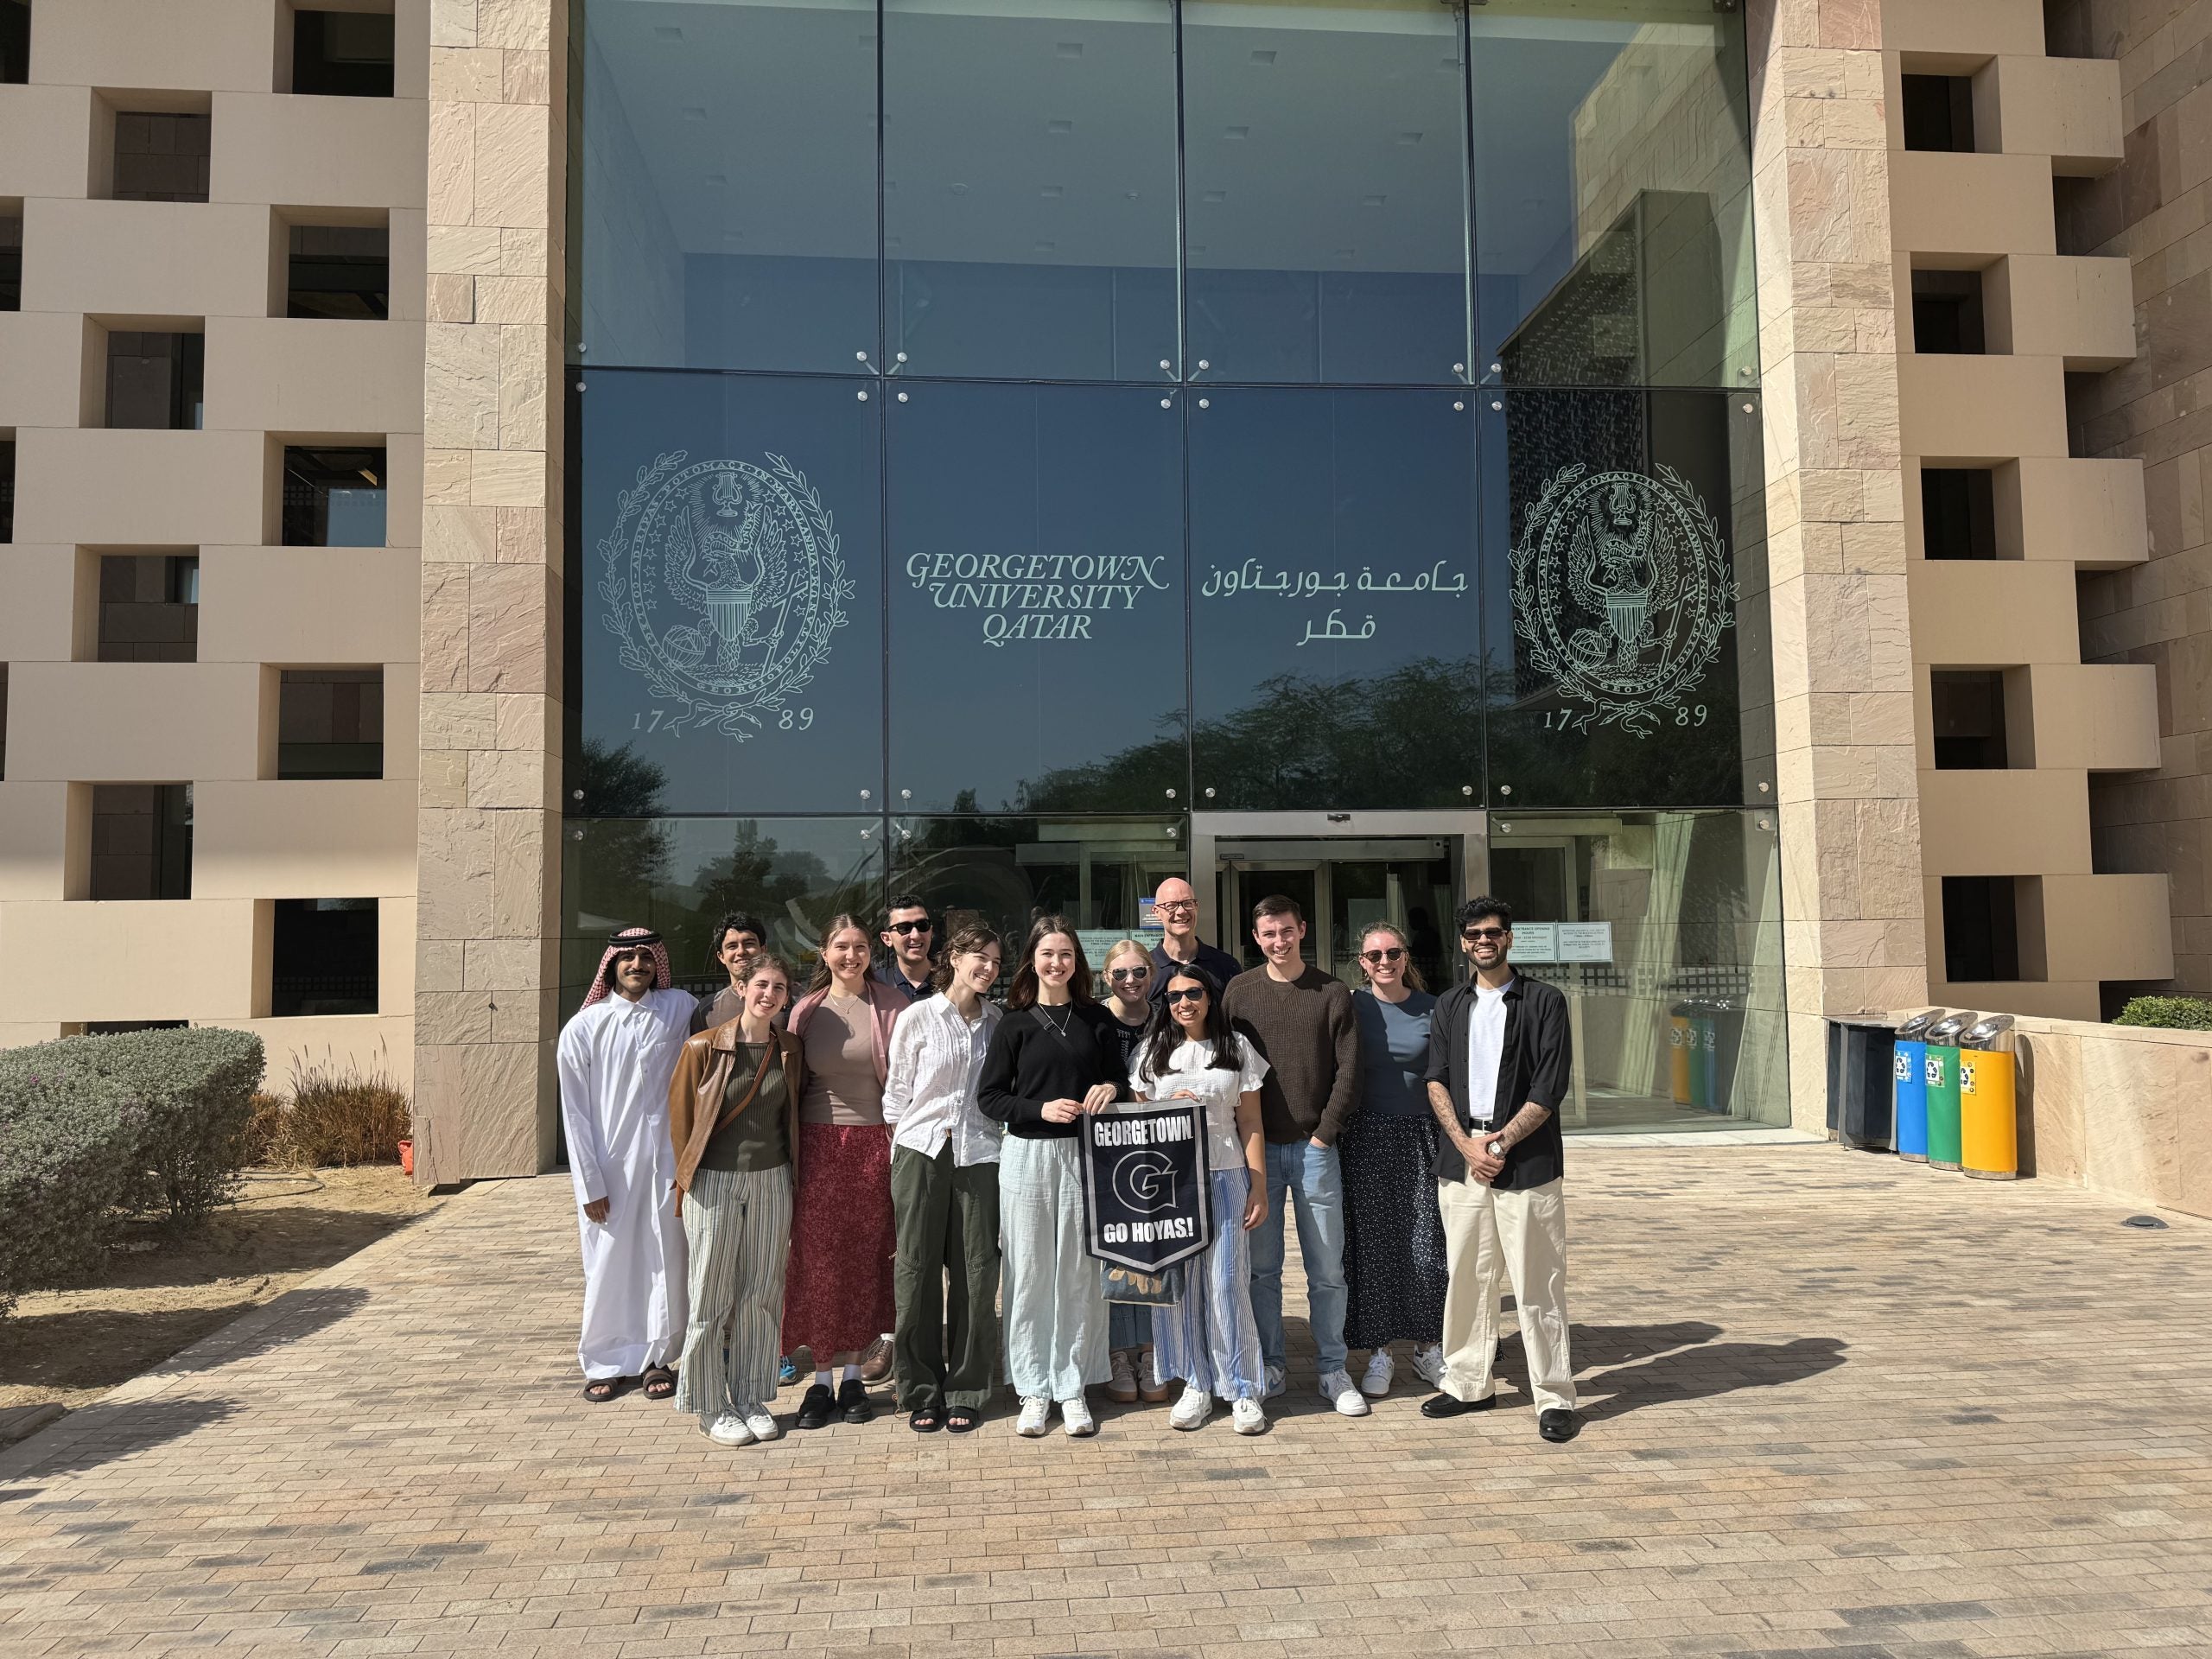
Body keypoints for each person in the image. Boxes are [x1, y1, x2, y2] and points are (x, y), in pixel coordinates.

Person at [1420, 896, 1580, 1444]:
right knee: (1467, 1276)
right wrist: (1467, 1146)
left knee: (1538, 1281)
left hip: (1528, 1160)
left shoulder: (1545, 1001)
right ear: (1463, 942)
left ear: (1510, 937)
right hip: (1463, 1159)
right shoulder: (1450, 1004)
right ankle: (1468, 1383)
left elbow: (1549, 1087)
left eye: (1493, 931)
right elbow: (1435, 1078)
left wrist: (1502, 1142)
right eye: (1473, 933)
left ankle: (1554, 1396)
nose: (1483, 940)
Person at [977, 915, 1128, 1438]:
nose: (1057, 963)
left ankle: (1074, 1385)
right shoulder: (1013, 1023)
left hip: (1087, 1159)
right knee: (1030, 1271)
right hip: (1027, 1159)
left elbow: (1120, 1082)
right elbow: (990, 1097)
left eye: (1066, 954)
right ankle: (1034, 1387)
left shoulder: (1098, 1020)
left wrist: (1111, 1089)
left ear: (1077, 962)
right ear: (1032, 961)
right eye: (1047, 954)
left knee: (1081, 1274)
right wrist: (1039, 1110)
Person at [1220, 894, 1367, 1419]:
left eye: (1286, 931)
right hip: (1256, 1155)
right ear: (1256, 938)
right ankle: (1271, 1364)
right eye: (1268, 934)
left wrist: (1325, 1135)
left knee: (1327, 1270)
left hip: (1314, 1151)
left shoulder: (1331, 992)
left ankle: (1332, 1368)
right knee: (1262, 1271)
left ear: (1302, 929)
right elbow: (1226, 1065)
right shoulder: (1239, 992)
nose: (1278, 941)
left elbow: (1350, 1072)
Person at [665, 952, 807, 1446]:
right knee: (710, 1293)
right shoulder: (704, 1047)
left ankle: (750, 1394)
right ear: (742, 988)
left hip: (772, 1180)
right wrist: (689, 1181)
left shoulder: (789, 1048)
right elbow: (682, 1122)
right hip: (714, 1182)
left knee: (762, 1292)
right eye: (761, 985)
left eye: (780, 988)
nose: (769, 995)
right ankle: (709, 1403)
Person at [556, 927, 696, 1403]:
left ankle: (658, 1358)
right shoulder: (584, 1027)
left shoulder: (678, 1008)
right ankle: (605, 1361)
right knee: (611, 1264)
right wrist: (589, 1184)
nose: (638, 965)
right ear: (611, 964)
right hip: (609, 1171)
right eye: (628, 957)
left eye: (647, 957)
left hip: (668, 1164)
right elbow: (573, 1114)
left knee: (665, 1260)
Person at [1129, 967, 1271, 1435]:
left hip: (1226, 1174)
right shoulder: (1153, 1052)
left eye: (1193, 993)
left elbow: (1250, 1121)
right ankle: (1196, 1382)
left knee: (1227, 1283)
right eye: (1173, 997)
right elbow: (1137, 1124)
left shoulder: (1235, 1049)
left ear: (1210, 997)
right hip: (1170, 1185)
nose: (1184, 1003)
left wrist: (1259, 1184)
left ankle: (1242, 1387)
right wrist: (1168, 1106)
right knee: (1182, 1288)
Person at [782, 914, 905, 1430]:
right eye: (840, 947)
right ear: (824, 953)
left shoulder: (893, 1006)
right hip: (817, 1145)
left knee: (866, 1257)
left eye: (858, 947)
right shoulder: (806, 1012)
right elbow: (788, 1082)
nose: (850, 956)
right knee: (820, 1262)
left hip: (875, 1144)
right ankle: (821, 1379)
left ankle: (855, 1373)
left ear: (869, 953)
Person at [881, 925, 1004, 1434]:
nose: (989, 968)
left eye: (997, 961)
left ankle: (969, 1387)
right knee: (916, 1269)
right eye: (980, 957)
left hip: (981, 1154)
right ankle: (918, 1388)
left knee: (978, 1273)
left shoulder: (999, 1022)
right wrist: (907, 1148)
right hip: (922, 1152)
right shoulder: (918, 1017)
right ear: (953, 957)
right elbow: (897, 1094)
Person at [1342, 923, 1448, 1398]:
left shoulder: (1436, 1008)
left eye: (1393, 953)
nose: (1383, 962)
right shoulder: (1349, 1006)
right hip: (1366, 1136)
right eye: (1374, 955)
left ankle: (1429, 1348)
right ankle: (1380, 1351)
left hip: (1424, 1136)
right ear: (1362, 962)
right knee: (1374, 1247)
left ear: (1406, 957)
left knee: (1428, 1247)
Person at [1096, 940, 1171, 1408]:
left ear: (1152, 973)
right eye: (1120, 972)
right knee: (1115, 1249)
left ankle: (1152, 1351)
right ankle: (1119, 1352)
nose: (1131, 980)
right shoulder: (1091, 1019)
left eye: (1139, 971)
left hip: (1162, 1146)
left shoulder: (1169, 1016)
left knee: (1160, 1247)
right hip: (1106, 1150)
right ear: (1107, 977)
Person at [1147, 876, 1243, 998]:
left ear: (1196, 907)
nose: (1181, 911)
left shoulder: (1226, 966)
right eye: (1171, 906)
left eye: (1187, 903)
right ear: (1157, 912)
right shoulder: (1145, 969)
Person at [691, 911, 769, 1033]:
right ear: (721, 956)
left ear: (763, 949)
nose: (741, 952)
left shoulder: (787, 1002)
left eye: (749, 943)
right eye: (732, 946)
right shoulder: (706, 1010)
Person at [876, 893, 939, 1004]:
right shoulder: (876, 985)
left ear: (930, 931)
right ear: (887, 939)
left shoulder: (953, 980)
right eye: (904, 928)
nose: (915, 935)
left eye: (922, 925)